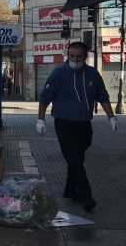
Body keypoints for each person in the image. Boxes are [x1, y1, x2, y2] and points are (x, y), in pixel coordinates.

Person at [36, 41, 119, 212]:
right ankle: (86, 195)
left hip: (84, 124)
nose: (75, 59)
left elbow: (102, 96)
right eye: (72, 56)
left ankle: (70, 189)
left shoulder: (92, 74)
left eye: (79, 56)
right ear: (68, 55)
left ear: (85, 57)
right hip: (64, 124)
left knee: (77, 157)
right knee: (74, 159)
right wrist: (40, 120)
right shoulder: (58, 74)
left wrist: (111, 117)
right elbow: (45, 98)